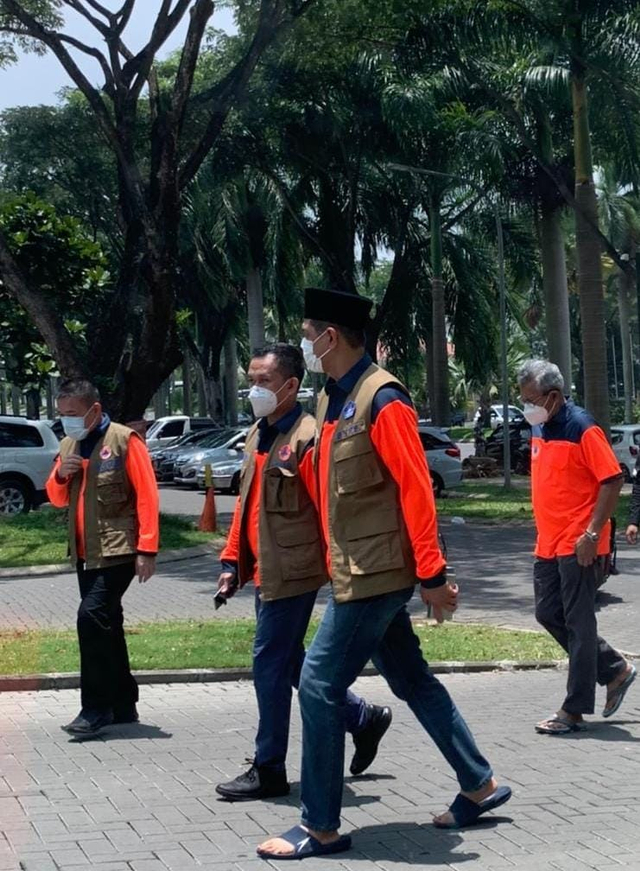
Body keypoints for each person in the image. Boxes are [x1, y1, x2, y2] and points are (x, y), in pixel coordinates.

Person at [257, 289, 511, 861]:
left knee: (319, 686)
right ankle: (480, 783)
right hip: (353, 568)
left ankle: (320, 825)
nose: (305, 344)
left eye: (308, 333)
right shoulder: (329, 401)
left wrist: (433, 575)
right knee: (411, 680)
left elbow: (416, 490)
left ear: (331, 336)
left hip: (378, 573)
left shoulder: (384, 398)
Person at [214, 343, 392, 802]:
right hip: (266, 567)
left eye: (263, 382)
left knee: (269, 662)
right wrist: (233, 560)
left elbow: (329, 509)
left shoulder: (310, 438)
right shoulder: (259, 433)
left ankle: (269, 766)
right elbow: (246, 508)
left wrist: (338, 570)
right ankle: (362, 717)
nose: (254, 390)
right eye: (251, 380)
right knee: (288, 658)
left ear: (291, 386)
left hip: (295, 568)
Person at [517, 359, 636, 736]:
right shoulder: (541, 427)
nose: (527, 406)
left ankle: (574, 710)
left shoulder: (582, 427)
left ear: (553, 396)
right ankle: (614, 669)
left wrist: (591, 533)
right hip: (548, 542)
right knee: (547, 612)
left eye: (531, 399)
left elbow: (613, 480)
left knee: (579, 623)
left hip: (579, 541)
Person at [46, 378, 159, 736]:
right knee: (107, 623)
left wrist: (147, 548)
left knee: (90, 618)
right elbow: (58, 498)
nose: (68, 421)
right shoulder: (69, 444)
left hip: (118, 548)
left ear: (94, 409)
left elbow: (147, 495)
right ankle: (124, 703)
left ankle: (95, 709)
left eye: (73, 414)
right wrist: (61, 476)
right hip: (85, 551)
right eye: (62, 414)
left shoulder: (125, 440)